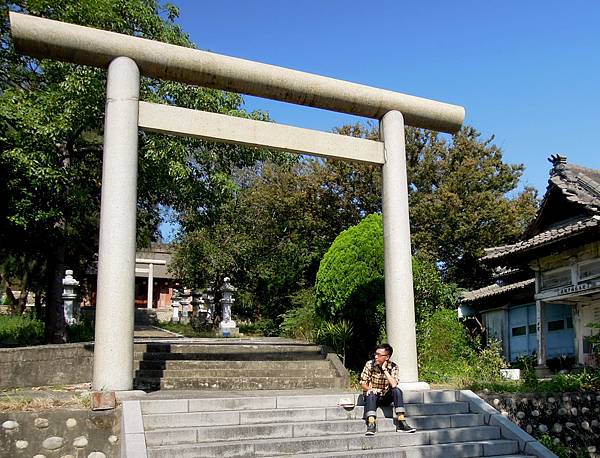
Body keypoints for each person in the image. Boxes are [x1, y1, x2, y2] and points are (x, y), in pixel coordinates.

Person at [360, 343, 416, 436]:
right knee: (371, 393)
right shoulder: (369, 364)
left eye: (379, 355)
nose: (376, 356)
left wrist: (385, 370)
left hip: (385, 396)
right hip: (373, 396)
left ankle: (401, 421)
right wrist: (370, 388)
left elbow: (394, 384)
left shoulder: (394, 367)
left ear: (387, 357)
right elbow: (363, 382)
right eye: (375, 354)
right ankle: (371, 423)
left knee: (397, 390)